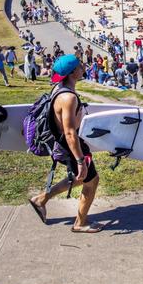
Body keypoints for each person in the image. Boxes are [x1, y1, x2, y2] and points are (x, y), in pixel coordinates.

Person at [28, 55, 103, 233]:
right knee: (90, 181)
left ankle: (41, 200)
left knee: (81, 178)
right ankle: (80, 223)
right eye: (79, 66)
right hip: (70, 146)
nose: (83, 67)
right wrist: (79, 160)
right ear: (71, 73)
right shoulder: (68, 97)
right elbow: (69, 132)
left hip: (67, 144)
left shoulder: (59, 88)